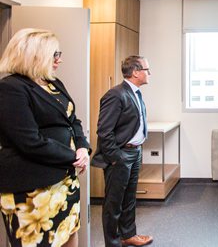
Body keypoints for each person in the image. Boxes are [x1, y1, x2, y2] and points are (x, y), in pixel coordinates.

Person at [0, 28, 91, 247]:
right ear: (33, 55)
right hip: (33, 187)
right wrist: (72, 156)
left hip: (64, 181)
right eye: (54, 54)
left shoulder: (53, 83)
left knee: (69, 232)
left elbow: (73, 121)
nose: (59, 59)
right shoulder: (11, 88)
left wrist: (83, 148)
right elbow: (29, 141)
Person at [90, 55, 153, 247]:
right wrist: (115, 157)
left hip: (135, 153)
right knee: (113, 203)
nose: (149, 73)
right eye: (146, 70)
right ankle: (113, 242)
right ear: (135, 72)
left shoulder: (135, 93)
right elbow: (104, 130)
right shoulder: (115, 94)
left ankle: (128, 235)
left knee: (129, 198)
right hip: (121, 155)